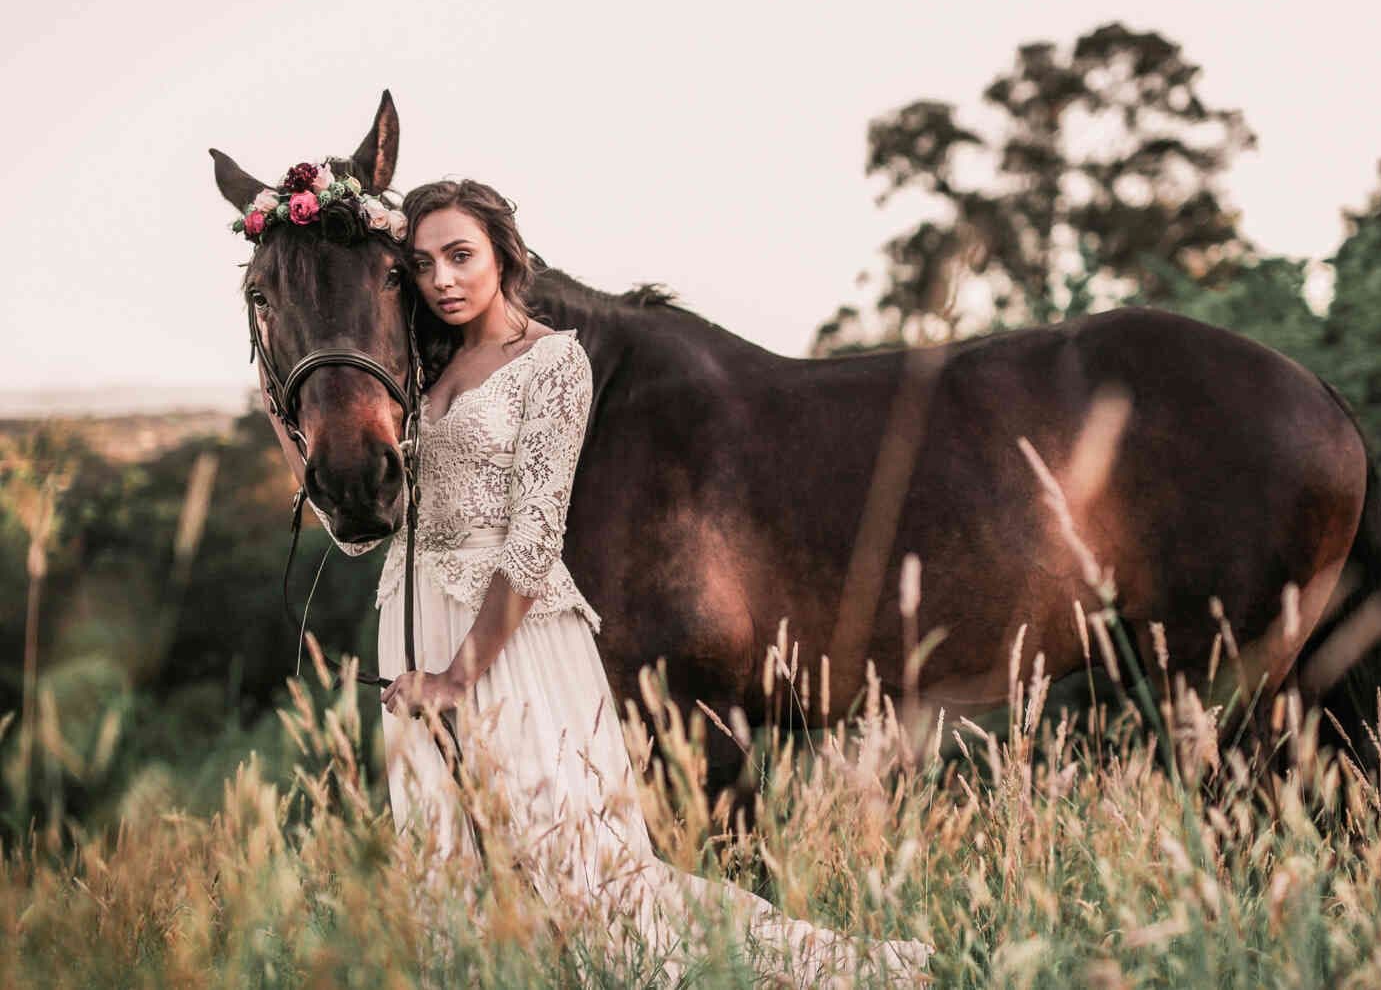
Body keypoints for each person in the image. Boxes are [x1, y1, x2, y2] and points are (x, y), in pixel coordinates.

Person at [310, 178, 932, 984]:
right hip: (418, 627)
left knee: (579, 869)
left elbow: (534, 541)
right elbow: (384, 515)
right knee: (446, 871)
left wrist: (455, 679)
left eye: (461, 256)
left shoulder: (555, 362)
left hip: (505, 647)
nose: (443, 281)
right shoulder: (422, 373)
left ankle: (815, 971)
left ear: (506, 254)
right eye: (423, 264)